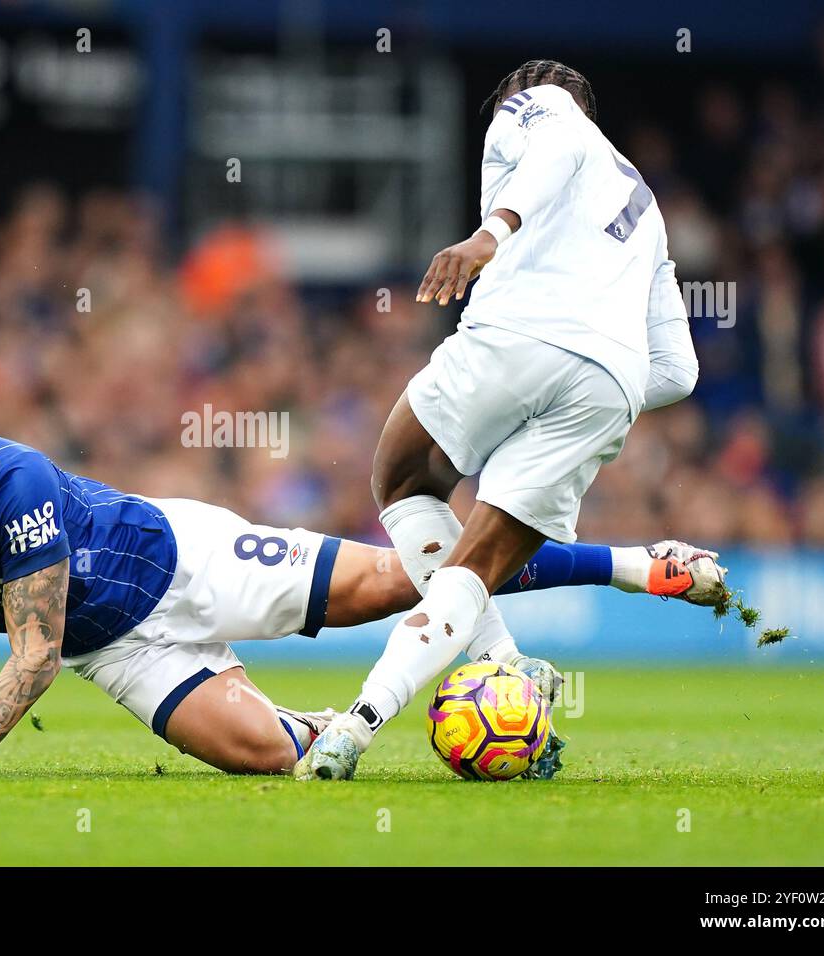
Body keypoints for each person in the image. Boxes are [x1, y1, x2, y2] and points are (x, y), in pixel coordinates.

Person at [0, 369, 721, 779]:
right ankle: (305, 720)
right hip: (114, 646)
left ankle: (636, 564)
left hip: (184, 561)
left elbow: (27, 659)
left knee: (403, 580)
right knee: (265, 763)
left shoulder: (12, 482)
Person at [297, 60, 714, 781]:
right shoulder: (645, 206)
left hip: (517, 334)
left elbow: (556, 148)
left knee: (400, 479)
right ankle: (410, 706)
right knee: (475, 569)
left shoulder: (537, 104)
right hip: (608, 381)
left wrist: (491, 234)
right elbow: (679, 373)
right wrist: (597, 382)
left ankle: (418, 697)